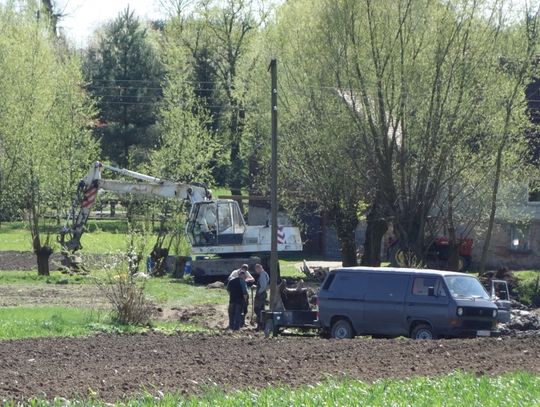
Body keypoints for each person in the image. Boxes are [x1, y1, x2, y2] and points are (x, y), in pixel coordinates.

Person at [253, 263, 269, 330]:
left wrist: (258, 293)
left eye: (256, 269)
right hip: (263, 295)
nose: (256, 271)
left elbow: (263, 286)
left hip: (261, 295)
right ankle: (261, 326)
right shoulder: (265, 274)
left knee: (257, 310)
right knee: (261, 310)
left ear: (259, 268)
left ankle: (261, 325)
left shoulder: (262, 275)